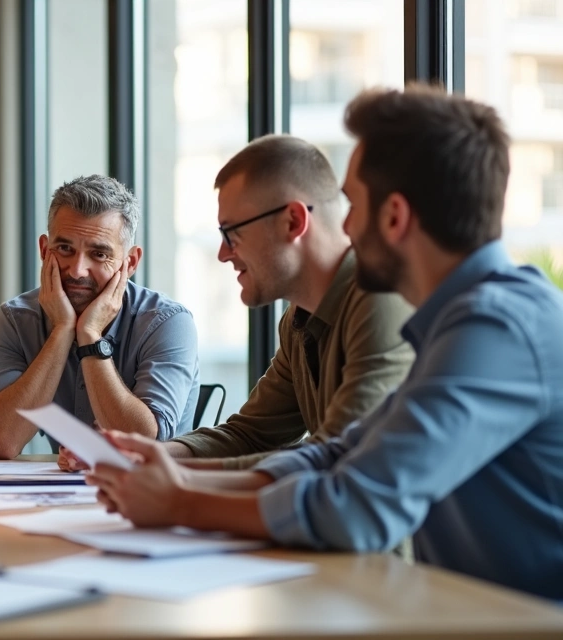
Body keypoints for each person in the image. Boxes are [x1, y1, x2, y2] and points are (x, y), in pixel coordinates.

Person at [87, 85, 563, 602]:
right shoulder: (454, 321)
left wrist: (181, 503)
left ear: (395, 216)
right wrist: (172, 475)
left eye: (353, 204)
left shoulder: (496, 327)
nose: (346, 226)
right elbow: (339, 454)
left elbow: (357, 505)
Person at [164, 135, 413, 469]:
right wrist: (149, 456)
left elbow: (342, 456)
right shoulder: (298, 319)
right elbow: (251, 435)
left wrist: (173, 476)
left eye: (231, 232)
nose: (223, 253)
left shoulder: (379, 299)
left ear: (293, 221)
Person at [0, 175, 199, 462]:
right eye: (65, 249)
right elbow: (2, 440)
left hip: (152, 488)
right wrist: (63, 330)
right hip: (60, 486)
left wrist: (90, 335)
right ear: (44, 250)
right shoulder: (16, 319)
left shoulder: (167, 322)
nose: (77, 270)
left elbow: (145, 446)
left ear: (130, 262)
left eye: (99, 253)